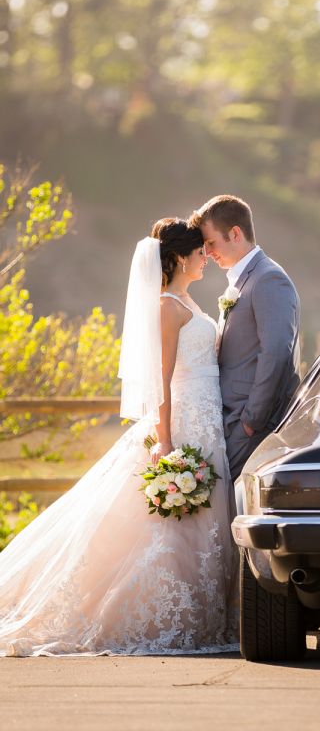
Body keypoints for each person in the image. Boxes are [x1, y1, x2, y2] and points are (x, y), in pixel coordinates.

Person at [0, 219, 237, 656]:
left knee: (199, 522)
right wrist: (165, 441)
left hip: (206, 419)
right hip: (183, 419)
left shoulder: (187, 300)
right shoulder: (168, 306)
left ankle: (205, 614)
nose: (206, 258)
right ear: (182, 257)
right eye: (201, 252)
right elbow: (160, 380)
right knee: (170, 526)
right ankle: (169, 616)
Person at [189, 195, 300, 482]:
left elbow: (276, 353)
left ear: (235, 233)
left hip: (249, 425)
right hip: (230, 421)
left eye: (211, 243)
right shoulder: (244, 281)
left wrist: (251, 422)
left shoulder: (268, 279)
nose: (207, 252)